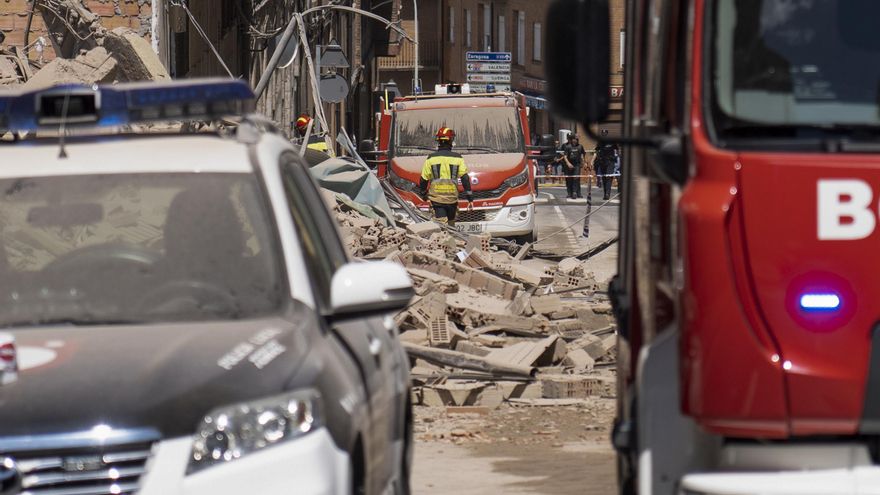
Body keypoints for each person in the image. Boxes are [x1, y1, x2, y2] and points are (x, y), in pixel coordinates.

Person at [419, 127, 474, 226]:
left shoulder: (431, 159)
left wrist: (424, 195)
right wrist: (470, 198)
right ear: (451, 141)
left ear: (438, 141)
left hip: (436, 200)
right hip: (452, 199)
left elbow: (423, 179)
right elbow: (465, 179)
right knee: (451, 225)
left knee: (441, 227)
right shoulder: (458, 158)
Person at [593, 129, 620, 201]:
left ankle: (608, 193)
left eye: (605, 133)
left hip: (610, 162)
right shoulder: (600, 142)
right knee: (604, 178)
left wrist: (617, 157)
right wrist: (597, 158)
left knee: (609, 177)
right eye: (603, 134)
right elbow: (596, 150)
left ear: (607, 134)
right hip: (602, 162)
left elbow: (617, 149)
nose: (604, 135)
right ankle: (605, 194)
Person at [561, 132, 586, 199]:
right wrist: (568, 163)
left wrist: (583, 162)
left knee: (576, 178)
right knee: (569, 179)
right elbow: (565, 156)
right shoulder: (568, 147)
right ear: (572, 139)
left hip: (577, 165)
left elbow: (582, 154)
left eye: (576, 139)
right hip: (569, 165)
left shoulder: (580, 146)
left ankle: (575, 192)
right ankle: (569, 193)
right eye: (573, 139)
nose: (575, 140)